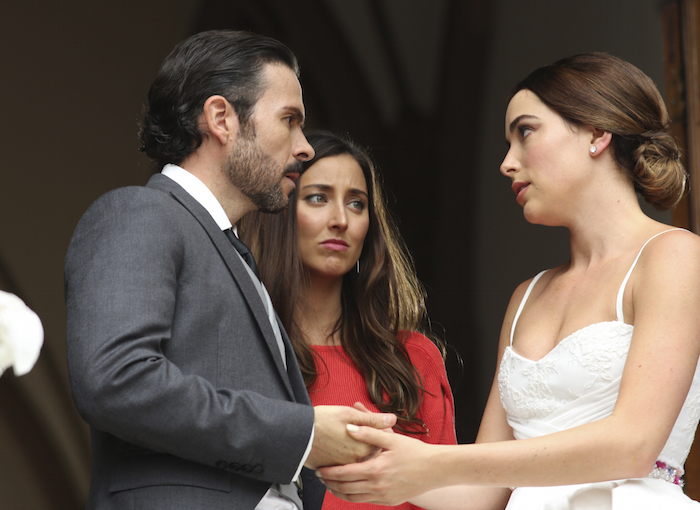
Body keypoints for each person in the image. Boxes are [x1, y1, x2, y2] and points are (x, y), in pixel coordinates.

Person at [316, 52, 700, 509]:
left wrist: (432, 462)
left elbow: (632, 446)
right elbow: (483, 494)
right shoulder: (526, 298)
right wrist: (382, 461)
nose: (506, 163)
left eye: (525, 132)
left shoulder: (674, 256)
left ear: (597, 134)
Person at [64, 30, 396, 510]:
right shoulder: (140, 213)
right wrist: (303, 436)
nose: (305, 148)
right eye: (289, 121)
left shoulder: (233, 251)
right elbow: (116, 379)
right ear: (221, 118)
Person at [240, 131, 457, 509]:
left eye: (357, 204)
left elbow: (456, 495)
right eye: (318, 198)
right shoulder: (244, 352)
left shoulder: (413, 359)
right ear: (279, 213)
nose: (341, 219)